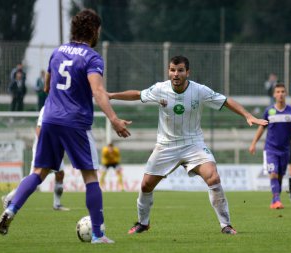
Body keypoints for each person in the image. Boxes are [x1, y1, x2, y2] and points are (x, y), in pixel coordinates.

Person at [0, 9, 131, 244]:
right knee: (90, 177)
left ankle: (11, 209)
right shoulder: (92, 57)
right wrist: (114, 119)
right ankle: (98, 235)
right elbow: (98, 91)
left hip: (49, 118)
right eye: (98, 29)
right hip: (75, 122)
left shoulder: (57, 52)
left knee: (39, 172)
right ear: (93, 30)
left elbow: (47, 86)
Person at [108, 55, 268, 235]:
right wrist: (112, 96)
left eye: (180, 70)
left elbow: (225, 101)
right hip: (166, 145)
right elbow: (138, 94)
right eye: (172, 70)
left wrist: (248, 115)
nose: (175, 74)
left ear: (187, 72)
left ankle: (226, 225)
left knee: (213, 178)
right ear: (169, 71)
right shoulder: (160, 89)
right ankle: (143, 223)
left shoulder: (199, 91)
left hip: (193, 144)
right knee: (146, 186)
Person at [1, 106, 70, 211]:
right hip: (43, 147)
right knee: (34, 178)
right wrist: (45, 146)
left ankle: (57, 204)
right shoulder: (48, 107)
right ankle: (9, 197)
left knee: (60, 173)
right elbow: (39, 129)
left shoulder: (64, 107)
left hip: (55, 147)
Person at [249, 83, 291, 209]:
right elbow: (261, 128)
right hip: (270, 149)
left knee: (279, 176)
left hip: (285, 150)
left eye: (283, 91)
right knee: (273, 173)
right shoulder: (269, 111)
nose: (280, 94)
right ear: (274, 94)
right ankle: (277, 200)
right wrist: (253, 144)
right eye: (278, 92)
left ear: (286, 94)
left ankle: (274, 200)